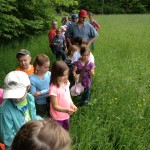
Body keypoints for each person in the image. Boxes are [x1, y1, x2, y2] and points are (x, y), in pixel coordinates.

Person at [0, 71, 42, 148]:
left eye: (18, 94)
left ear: (28, 87)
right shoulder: (4, 110)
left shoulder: (30, 99)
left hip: (31, 137)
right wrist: (24, 144)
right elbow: (6, 137)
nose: (15, 98)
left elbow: (32, 116)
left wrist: (41, 122)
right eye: (11, 94)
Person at [49, 61, 77, 130]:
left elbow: (68, 95)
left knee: (65, 129)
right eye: (63, 75)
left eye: (67, 74)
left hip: (66, 114)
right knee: (58, 132)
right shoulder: (53, 89)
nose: (65, 77)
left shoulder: (66, 83)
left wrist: (72, 104)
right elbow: (55, 106)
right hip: (57, 116)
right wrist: (66, 110)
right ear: (56, 75)